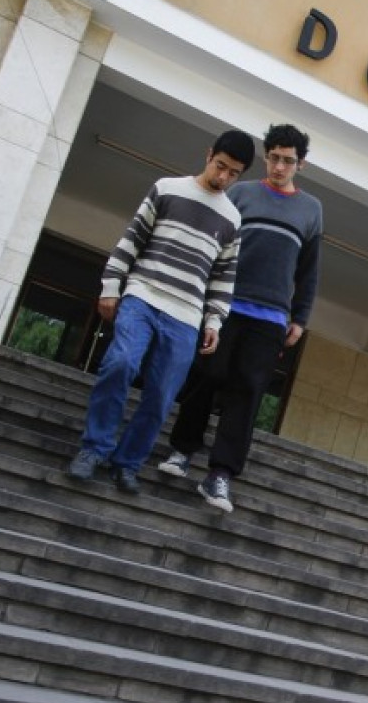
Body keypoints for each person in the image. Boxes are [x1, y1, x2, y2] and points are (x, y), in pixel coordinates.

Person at [66, 130, 255, 493]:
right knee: (120, 364)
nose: (223, 177)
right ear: (208, 155)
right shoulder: (167, 188)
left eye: (234, 173)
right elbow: (132, 238)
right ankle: (94, 449)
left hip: (186, 315)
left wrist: (214, 320)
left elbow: (223, 276)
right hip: (142, 295)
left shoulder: (232, 219)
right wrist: (111, 287)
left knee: (163, 394)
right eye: (220, 167)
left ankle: (128, 463)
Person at [157, 123, 323, 514]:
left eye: (288, 161)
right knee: (205, 378)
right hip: (226, 305)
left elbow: (309, 270)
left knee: (247, 393)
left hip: (271, 317)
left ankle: (221, 474)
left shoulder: (311, 210)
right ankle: (182, 449)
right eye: (275, 158)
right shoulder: (241, 193)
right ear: (267, 156)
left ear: (302, 164)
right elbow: (216, 244)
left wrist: (300, 317)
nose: (280, 167)